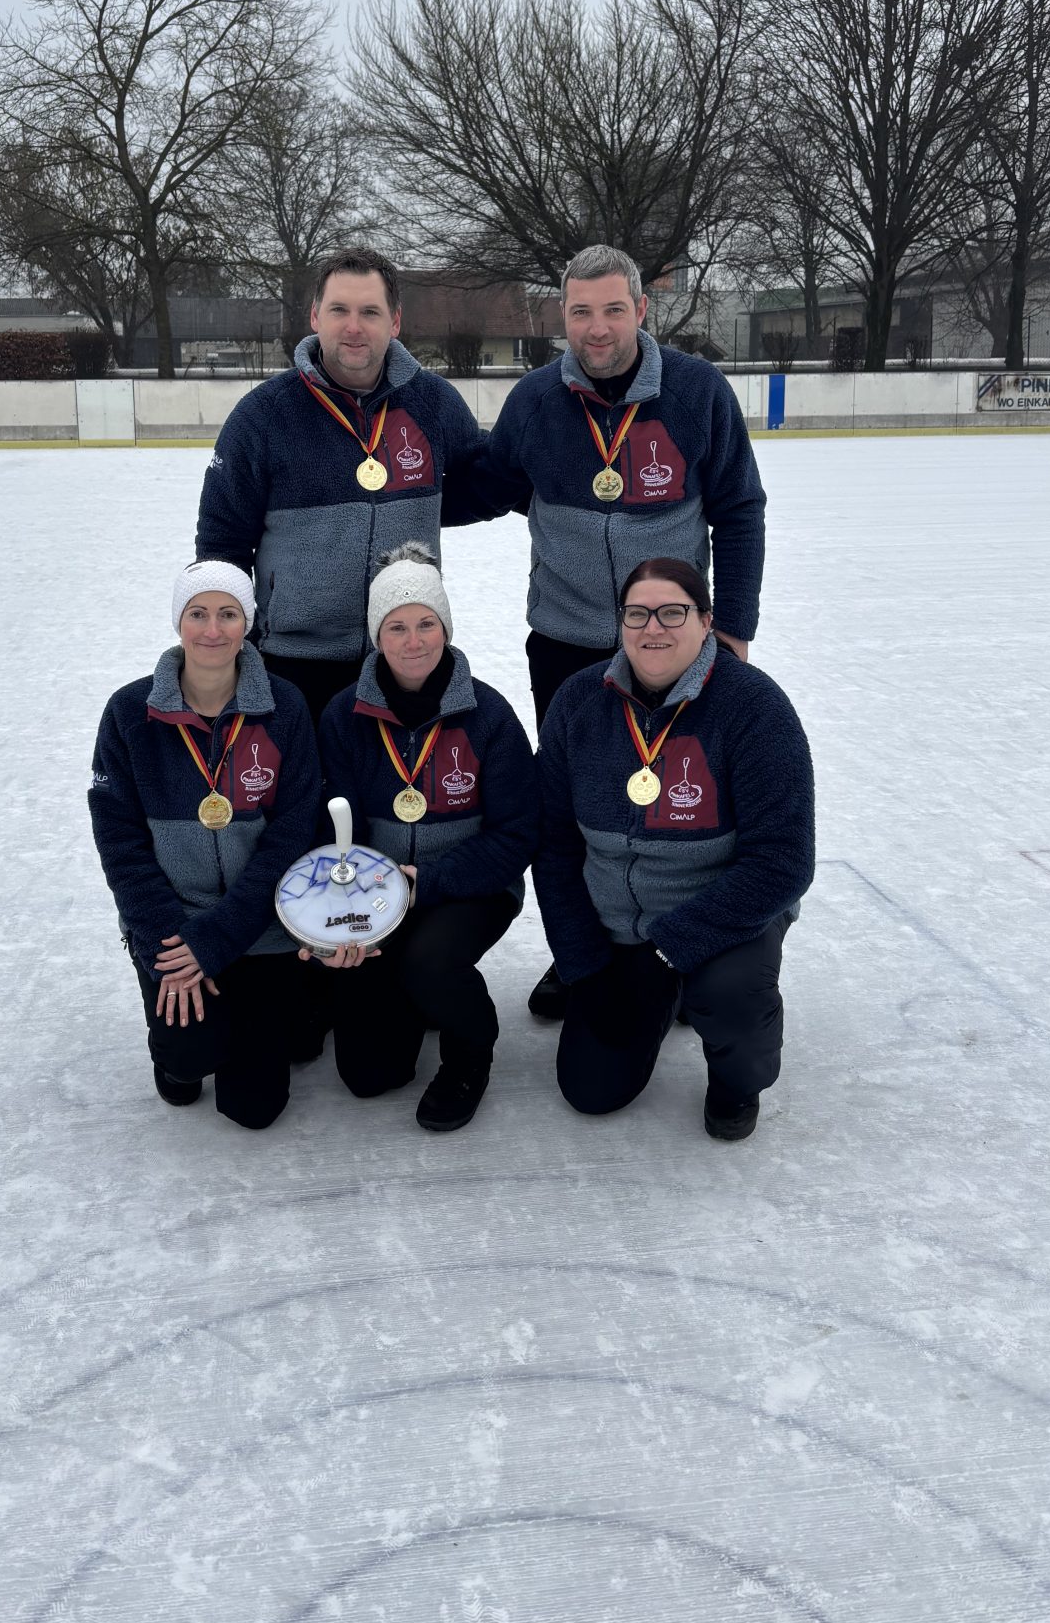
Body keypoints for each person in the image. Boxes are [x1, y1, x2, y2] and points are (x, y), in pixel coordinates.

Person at [480, 244, 768, 1021]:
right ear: (561, 316)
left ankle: (688, 946)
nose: (597, 327)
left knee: (688, 804)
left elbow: (739, 509)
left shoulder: (697, 392)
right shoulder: (537, 402)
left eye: (613, 309)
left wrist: (733, 628)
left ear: (643, 310)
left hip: (675, 643)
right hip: (567, 644)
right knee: (577, 811)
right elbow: (486, 483)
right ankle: (581, 954)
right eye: (581, 311)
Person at [533, 558, 813, 1142]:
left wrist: (669, 951)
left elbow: (783, 861)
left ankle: (737, 1081)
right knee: (591, 1090)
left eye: (672, 612)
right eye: (637, 613)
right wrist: (584, 963)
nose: (652, 627)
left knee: (731, 997)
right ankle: (661, 999)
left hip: (721, 914)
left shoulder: (754, 707)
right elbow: (554, 846)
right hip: (617, 926)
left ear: (707, 622)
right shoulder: (578, 702)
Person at [195, 247, 494, 727]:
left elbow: (483, 483)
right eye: (339, 310)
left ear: (395, 321)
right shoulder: (264, 416)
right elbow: (221, 545)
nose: (354, 327)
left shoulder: (433, 403)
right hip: (293, 665)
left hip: (405, 658)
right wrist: (234, 649)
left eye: (370, 312)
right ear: (315, 315)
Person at [312, 544, 537, 1131]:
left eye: (426, 624)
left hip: (470, 888)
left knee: (431, 961)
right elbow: (334, 826)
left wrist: (429, 880)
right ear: (376, 637)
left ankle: (470, 1048)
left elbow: (518, 834)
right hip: (377, 896)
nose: (414, 642)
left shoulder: (489, 715)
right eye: (397, 627)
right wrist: (355, 904)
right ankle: (410, 999)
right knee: (369, 1076)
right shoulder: (343, 717)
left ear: (446, 627)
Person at [88, 561, 321, 1128]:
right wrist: (171, 941)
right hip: (172, 927)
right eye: (198, 614)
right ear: (178, 622)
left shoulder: (284, 708)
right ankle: (178, 1048)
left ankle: (246, 1012)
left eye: (228, 614)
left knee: (255, 1108)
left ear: (248, 624)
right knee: (188, 1061)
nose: (212, 630)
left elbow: (290, 837)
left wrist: (218, 938)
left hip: (260, 925)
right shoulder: (129, 713)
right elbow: (120, 843)